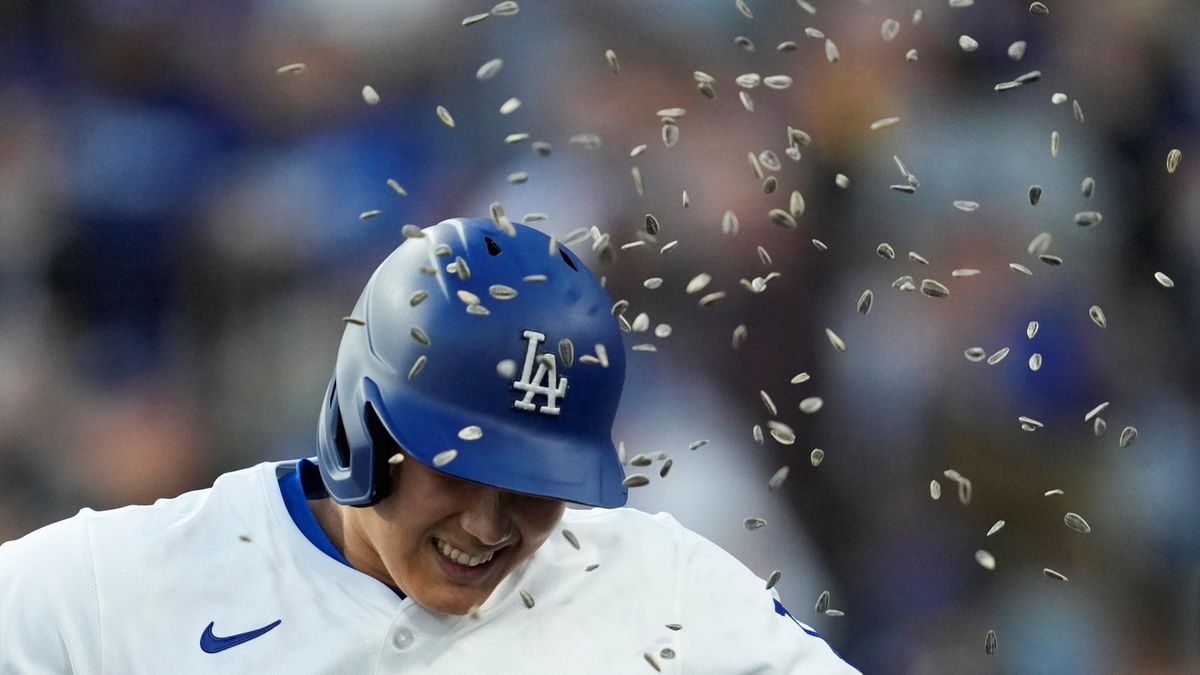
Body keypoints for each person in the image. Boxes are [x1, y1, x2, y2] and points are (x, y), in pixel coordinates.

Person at [0, 218, 857, 673]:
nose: (489, 523)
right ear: (363, 424)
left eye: (534, 483)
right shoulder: (120, 589)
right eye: (460, 468)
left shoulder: (664, 592)